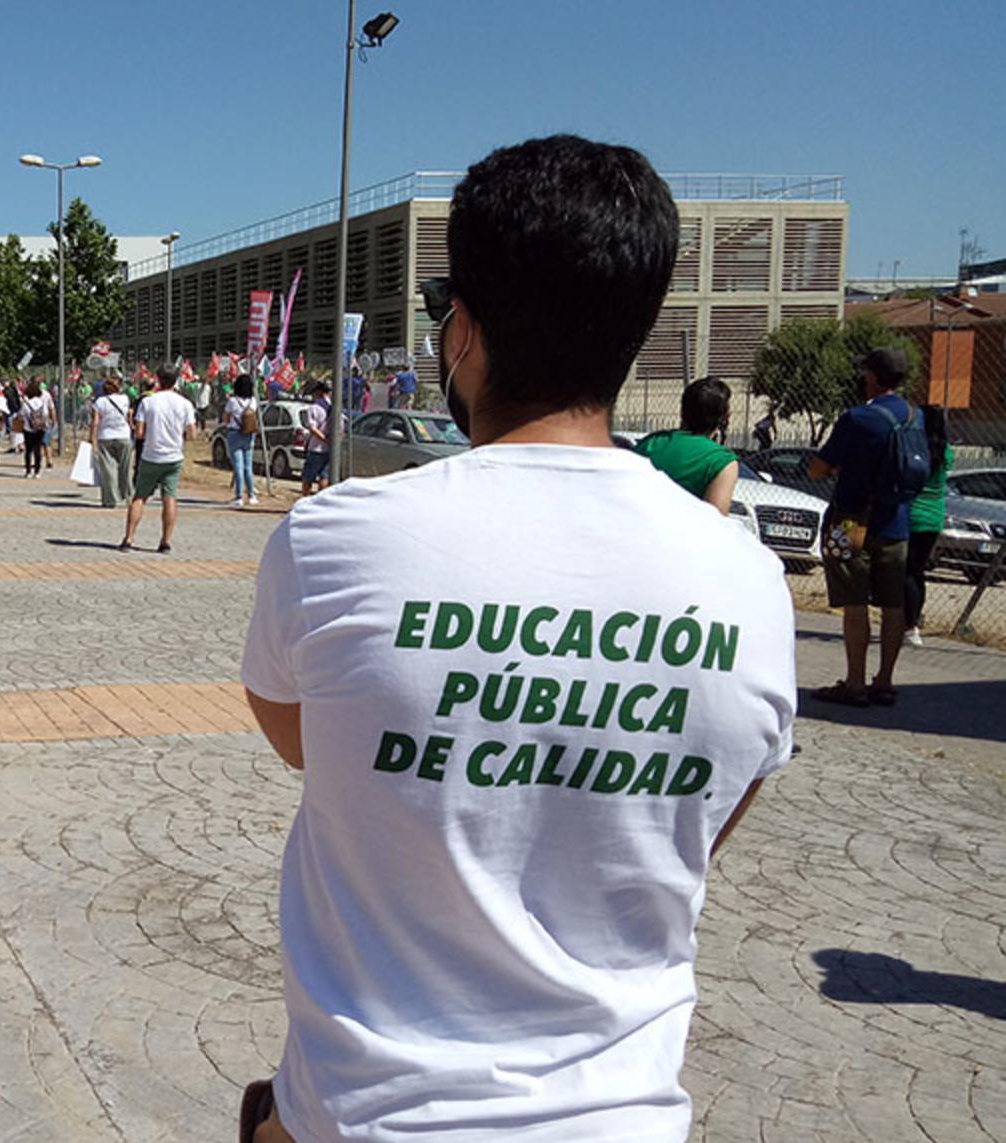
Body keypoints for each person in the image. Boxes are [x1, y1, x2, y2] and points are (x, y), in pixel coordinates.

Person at [235, 135, 796, 1143]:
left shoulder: (334, 538)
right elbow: (705, 813)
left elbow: (304, 746)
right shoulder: (746, 585)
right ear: (636, 330)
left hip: (365, 1118)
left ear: (461, 329)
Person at [806, 347, 922, 707]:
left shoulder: (857, 418)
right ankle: (884, 681)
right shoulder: (915, 416)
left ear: (872, 376)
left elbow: (818, 468)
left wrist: (841, 469)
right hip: (897, 522)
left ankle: (854, 682)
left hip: (849, 521)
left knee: (853, 602)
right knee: (893, 605)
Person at [634, 377, 739, 515]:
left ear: (682, 411)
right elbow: (715, 521)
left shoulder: (650, 444)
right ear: (725, 417)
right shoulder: (721, 461)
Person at [121, 365, 196, 554]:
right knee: (169, 498)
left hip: (150, 455)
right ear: (177, 379)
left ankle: (129, 538)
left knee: (140, 497)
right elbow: (192, 434)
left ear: (158, 380)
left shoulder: (148, 402)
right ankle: (165, 541)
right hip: (173, 456)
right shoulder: (185, 403)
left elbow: (139, 433)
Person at [902, 405, 951, 648]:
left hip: (913, 514)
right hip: (934, 517)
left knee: (906, 571)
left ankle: (909, 624)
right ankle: (914, 621)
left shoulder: (917, 447)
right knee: (918, 571)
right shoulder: (946, 451)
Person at [90, 377, 135, 508]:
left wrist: (91, 437)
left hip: (105, 436)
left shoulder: (100, 402)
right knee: (125, 468)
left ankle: (110, 499)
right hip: (123, 435)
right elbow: (129, 416)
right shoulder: (125, 399)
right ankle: (128, 496)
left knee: (108, 470)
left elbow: (95, 421)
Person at [222, 375, 260, 507]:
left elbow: (226, 417)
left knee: (238, 466)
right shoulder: (253, 401)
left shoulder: (232, 401)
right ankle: (251, 495)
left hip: (235, 433)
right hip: (249, 434)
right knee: (248, 467)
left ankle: (239, 497)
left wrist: (230, 424)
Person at [300, 381, 334, 496]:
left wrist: (324, 438)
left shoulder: (314, 408)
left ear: (318, 392)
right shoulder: (335, 408)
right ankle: (321, 503)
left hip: (315, 448)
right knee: (324, 477)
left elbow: (312, 428)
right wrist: (331, 441)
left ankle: (305, 501)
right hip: (330, 449)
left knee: (308, 477)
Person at [20, 379, 55, 478]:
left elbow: (22, 415)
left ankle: (28, 471)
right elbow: (45, 414)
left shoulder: (26, 403)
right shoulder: (41, 403)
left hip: (28, 429)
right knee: (38, 450)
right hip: (40, 428)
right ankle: (37, 471)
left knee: (28, 450)